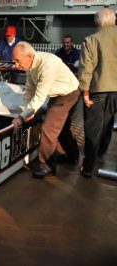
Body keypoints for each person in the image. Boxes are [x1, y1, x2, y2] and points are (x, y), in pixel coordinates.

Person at [11, 41, 80, 179]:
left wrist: (21, 117)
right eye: (14, 61)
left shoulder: (47, 65)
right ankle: (72, 157)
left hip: (67, 95)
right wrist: (25, 111)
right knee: (61, 128)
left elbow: (39, 97)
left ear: (30, 56)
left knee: (48, 128)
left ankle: (47, 165)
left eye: (18, 61)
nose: (16, 65)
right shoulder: (31, 65)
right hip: (57, 95)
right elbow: (29, 90)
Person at [78, 7, 117, 178]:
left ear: (97, 21)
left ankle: (88, 167)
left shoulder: (91, 40)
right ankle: (101, 153)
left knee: (93, 128)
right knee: (109, 123)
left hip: (98, 90)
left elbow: (86, 68)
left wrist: (85, 92)